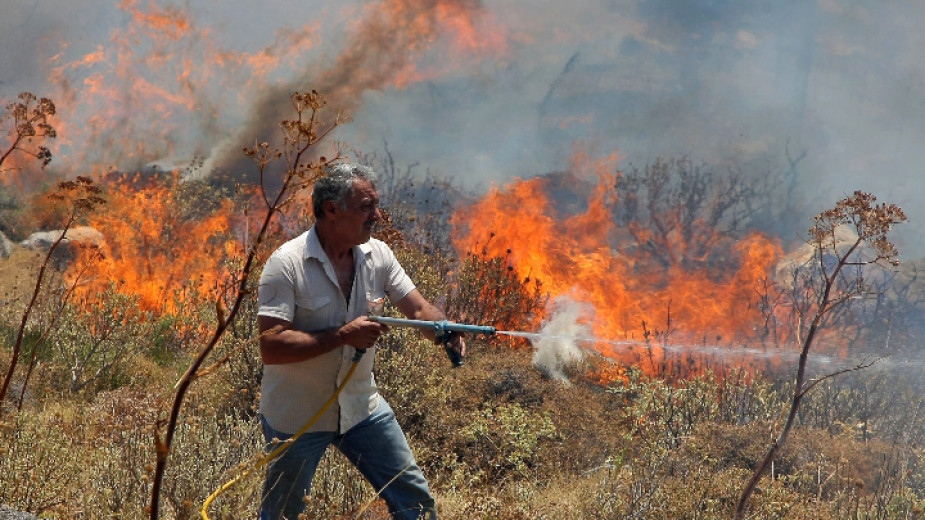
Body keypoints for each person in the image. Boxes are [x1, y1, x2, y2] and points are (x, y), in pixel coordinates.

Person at [256, 163, 465, 520]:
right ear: (331, 210)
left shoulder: (379, 255)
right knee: (282, 514)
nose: (377, 216)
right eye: (366, 206)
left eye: (376, 205)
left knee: (415, 503)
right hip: (298, 415)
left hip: (362, 409)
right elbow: (271, 346)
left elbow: (417, 309)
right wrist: (342, 336)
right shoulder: (286, 264)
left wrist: (443, 330)